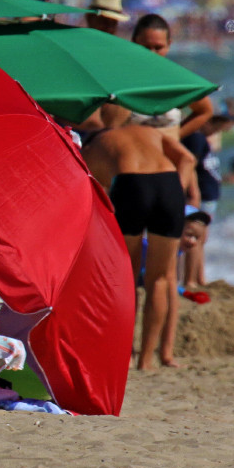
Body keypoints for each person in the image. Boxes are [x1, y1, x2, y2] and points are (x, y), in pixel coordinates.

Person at [79, 109, 198, 370]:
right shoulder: (151, 132)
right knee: (161, 278)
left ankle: (123, 353)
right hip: (168, 186)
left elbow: (88, 185)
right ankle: (146, 360)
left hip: (131, 185)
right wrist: (178, 191)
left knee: (127, 278)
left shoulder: (100, 141)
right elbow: (188, 158)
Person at [179, 114, 227, 289]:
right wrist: (192, 195)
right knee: (195, 237)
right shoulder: (196, 138)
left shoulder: (198, 138)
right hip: (202, 195)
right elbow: (190, 167)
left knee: (199, 238)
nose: (216, 132)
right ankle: (192, 280)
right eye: (215, 127)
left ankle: (198, 278)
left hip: (206, 194)